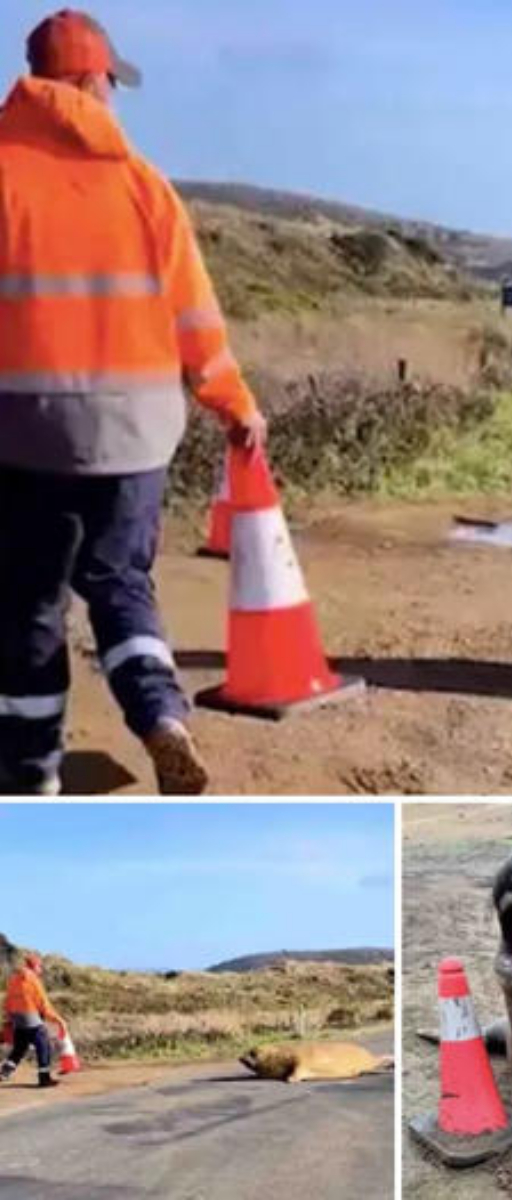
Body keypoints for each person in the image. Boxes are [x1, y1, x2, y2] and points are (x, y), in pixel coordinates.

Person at [0, 10, 266, 796]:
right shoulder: (144, 186)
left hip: (23, 437)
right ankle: (160, 715)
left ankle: (30, 774)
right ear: (92, 82)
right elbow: (197, 319)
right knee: (120, 584)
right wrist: (235, 404)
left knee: (29, 610)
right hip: (136, 437)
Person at [0, 953, 67, 1088]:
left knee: (20, 1047)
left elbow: (7, 1001)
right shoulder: (33, 981)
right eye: (40, 967)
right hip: (31, 1017)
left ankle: (4, 1072)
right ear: (35, 966)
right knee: (43, 1045)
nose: (41, 970)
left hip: (16, 1018)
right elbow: (44, 1005)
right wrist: (59, 1020)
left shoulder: (14, 979)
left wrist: (9, 1018)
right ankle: (44, 1078)